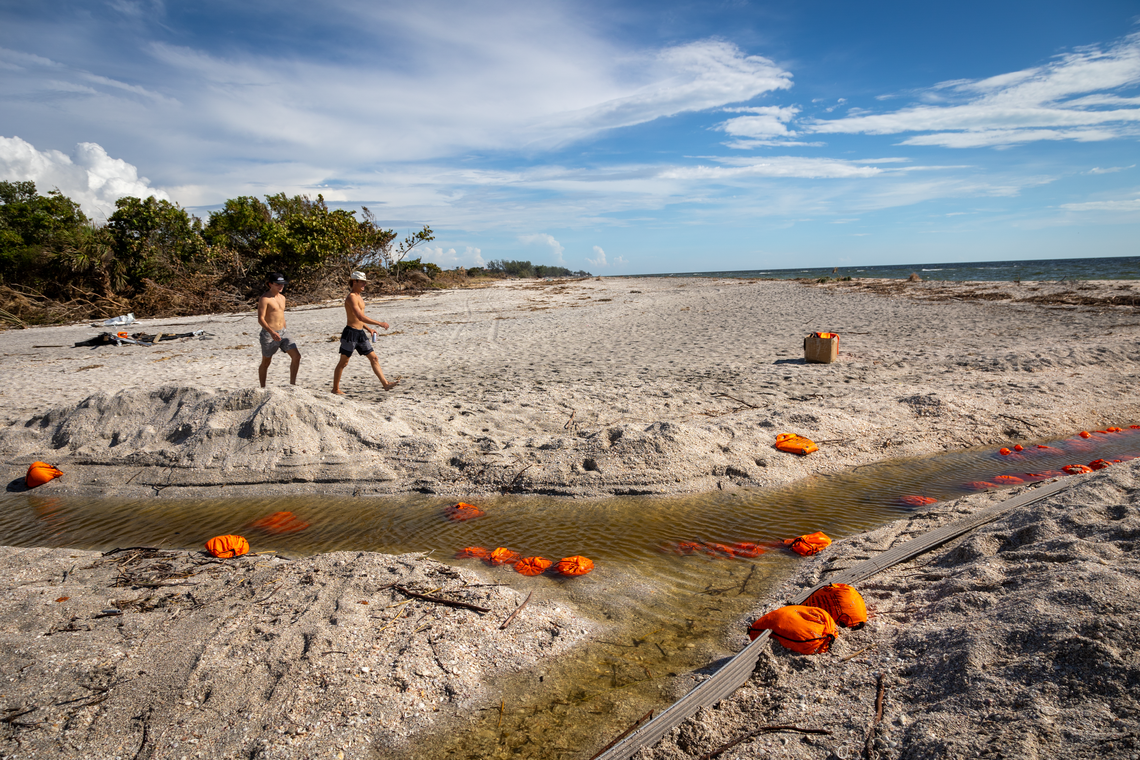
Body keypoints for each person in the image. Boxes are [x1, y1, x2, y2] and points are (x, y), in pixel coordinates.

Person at [333, 271, 401, 394]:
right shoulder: (351, 297)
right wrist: (379, 323)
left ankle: (385, 384)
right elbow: (360, 316)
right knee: (344, 362)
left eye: (365, 282)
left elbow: (359, 318)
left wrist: (369, 329)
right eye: (362, 282)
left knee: (374, 358)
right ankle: (335, 389)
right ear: (355, 282)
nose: (364, 284)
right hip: (350, 334)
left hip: (360, 333)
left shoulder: (359, 296)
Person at [257, 272, 301, 387]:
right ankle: (262, 387)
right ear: (270, 284)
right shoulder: (264, 299)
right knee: (266, 362)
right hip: (269, 334)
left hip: (283, 332)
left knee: (297, 356)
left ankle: (292, 385)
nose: (281, 286)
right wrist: (272, 332)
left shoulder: (282, 298)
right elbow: (261, 319)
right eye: (277, 284)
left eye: (282, 284)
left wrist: (285, 330)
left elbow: (281, 315)